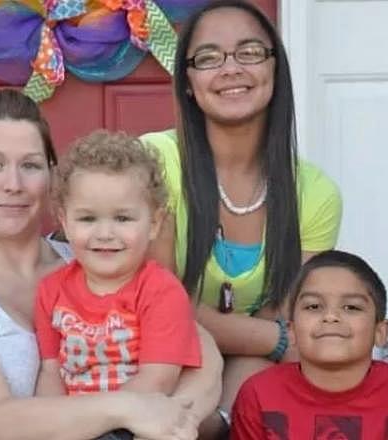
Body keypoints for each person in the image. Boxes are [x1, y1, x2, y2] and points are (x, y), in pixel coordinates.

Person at [0, 90, 222, 440]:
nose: (13, 184)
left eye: (31, 165)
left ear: (52, 178)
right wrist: (129, 409)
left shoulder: (99, 259)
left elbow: (203, 357)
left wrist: (173, 419)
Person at [140, 0, 343, 434]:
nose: (230, 68)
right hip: (153, 360)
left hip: (248, 363)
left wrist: (273, 339)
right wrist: (276, 338)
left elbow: (290, 315)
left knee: (262, 387)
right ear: (189, 83)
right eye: (209, 58)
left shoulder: (315, 193)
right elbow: (160, 309)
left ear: (275, 70)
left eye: (249, 52)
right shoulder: (154, 161)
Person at [34, 131, 202, 439]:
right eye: (87, 219)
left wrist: (94, 422)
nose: (105, 233)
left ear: (153, 223)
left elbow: (157, 380)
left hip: (135, 428)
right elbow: (50, 371)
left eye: (123, 219)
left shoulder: (161, 291)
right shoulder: (50, 290)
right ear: (64, 221)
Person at [231, 250, 388, 439]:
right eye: (313, 306)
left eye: (351, 307)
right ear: (291, 331)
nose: (330, 316)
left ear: (380, 332)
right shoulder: (259, 394)